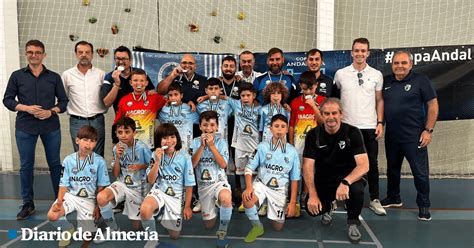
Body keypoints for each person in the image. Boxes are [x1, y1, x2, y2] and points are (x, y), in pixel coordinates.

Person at [3, 39, 68, 220]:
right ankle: (27, 204)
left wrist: (51, 111)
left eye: (37, 52)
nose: (34, 55)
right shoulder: (17, 76)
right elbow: (7, 100)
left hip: (50, 126)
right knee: (26, 166)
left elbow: (63, 102)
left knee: (55, 164)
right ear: (26, 54)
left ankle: (60, 200)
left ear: (44, 55)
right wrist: (26, 108)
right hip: (25, 126)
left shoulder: (54, 77)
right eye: (30, 52)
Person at [381, 51, 438, 221]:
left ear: (411, 64)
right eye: (396, 63)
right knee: (392, 169)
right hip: (392, 135)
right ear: (392, 64)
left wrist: (428, 130)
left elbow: (433, 105)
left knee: (420, 173)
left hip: (414, 137)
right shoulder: (386, 81)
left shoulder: (421, 80)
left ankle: (424, 205)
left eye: (403, 63)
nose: (400, 66)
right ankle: (394, 197)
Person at [303, 98, 369, 243]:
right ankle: (328, 207)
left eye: (334, 113)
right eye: (326, 114)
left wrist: (345, 182)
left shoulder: (352, 132)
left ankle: (352, 223)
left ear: (341, 114)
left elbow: (364, 165)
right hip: (324, 179)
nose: (331, 117)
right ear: (321, 114)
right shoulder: (313, 135)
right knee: (312, 209)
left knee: (357, 190)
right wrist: (312, 194)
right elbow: (307, 166)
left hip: (348, 179)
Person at [334, 38, 386, 216]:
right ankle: (345, 196)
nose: (359, 54)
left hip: (369, 126)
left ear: (368, 53)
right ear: (351, 52)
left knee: (371, 163)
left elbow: (379, 100)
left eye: (363, 51)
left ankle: (374, 199)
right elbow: (336, 101)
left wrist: (380, 122)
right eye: (356, 50)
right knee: (345, 163)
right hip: (347, 127)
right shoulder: (341, 74)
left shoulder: (376, 74)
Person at [47, 125, 110, 247]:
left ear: (96, 143)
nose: (88, 144)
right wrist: (59, 202)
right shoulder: (68, 160)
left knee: (87, 235)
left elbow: (102, 187)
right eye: (85, 140)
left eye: (92, 141)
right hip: (70, 195)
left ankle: (91, 226)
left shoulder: (100, 161)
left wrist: (98, 207)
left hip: (88, 199)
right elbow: (63, 184)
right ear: (77, 140)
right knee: (52, 215)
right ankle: (67, 228)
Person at [242, 114, 300, 243]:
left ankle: (270, 205)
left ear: (286, 129)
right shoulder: (262, 147)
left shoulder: (292, 152)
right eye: (276, 126)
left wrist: (292, 202)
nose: (279, 129)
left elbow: (295, 179)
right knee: (247, 199)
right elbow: (248, 169)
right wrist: (249, 187)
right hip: (261, 184)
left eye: (283, 126)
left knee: (278, 227)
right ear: (270, 128)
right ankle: (257, 227)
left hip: (279, 190)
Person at [140, 123, 196, 248]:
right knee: (144, 209)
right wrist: (157, 161)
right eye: (165, 138)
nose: (169, 141)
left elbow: (189, 185)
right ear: (159, 141)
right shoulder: (155, 154)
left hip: (175, 197)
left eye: (172, 137)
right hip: (159, 191)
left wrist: (187, 207)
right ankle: (152, 239)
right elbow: (150, 180)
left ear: (177, 138)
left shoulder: (185, 157)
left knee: (174, 235)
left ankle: (161, 213)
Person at [97, 117, 153, 234]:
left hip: (139, 187)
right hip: (122, 183)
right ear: (116, 134)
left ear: (134, 133)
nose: (123, 135)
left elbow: (152, 166)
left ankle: (151, 209)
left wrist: (140, 166)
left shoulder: (142, 147)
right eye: (120, 132)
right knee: (101, 197)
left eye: (127, 132)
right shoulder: (116, 148)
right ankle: (113, 228)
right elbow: (116, 174)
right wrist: (117, 157)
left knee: (136, 227)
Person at [190, 111, 233, 248]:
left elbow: (223, 165)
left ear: (217, 127)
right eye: (205, 125)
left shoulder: (221, 142)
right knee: (209, 225)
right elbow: (192, 165)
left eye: (212, 125)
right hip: (203, 187)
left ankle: (222, 232)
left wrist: (212, 146)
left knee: (226, 198)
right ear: (200, 127)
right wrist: (203, 146)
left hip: (219, 182)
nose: (208, 128)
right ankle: (215, 206)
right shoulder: (195, 142)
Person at [100, 45, 156, 144]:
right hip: (120, 125)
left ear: (130, 60)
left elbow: (152, 92)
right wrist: (116, 84)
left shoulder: (140, 74)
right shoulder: (109, 77)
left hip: (142, 124)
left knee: (143, 156)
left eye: (124, 59)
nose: (121, 62)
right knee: (119, 154)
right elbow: (107, 103)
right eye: (118, 58)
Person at [62, 41, 106, 156]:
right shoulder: (67, 75)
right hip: (77, 121)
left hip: (97, 120)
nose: (84, 55)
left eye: (87, 52)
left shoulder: (101, 74)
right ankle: (82, 175)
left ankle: (96, 174)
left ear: (92, 55)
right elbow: (64, 96)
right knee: (80, 155)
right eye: (80, 52)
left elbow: (106, 97)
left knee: (98, 154)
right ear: (76, 54)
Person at [289, 71, 326, 211]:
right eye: (305, 89)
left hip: (316, 144)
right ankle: (296, 195)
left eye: (311, 88)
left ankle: (308, 193)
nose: (308, 92)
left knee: (311, 170)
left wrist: (313, 106)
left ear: (316, 86)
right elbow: (292, 125)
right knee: (297, 170)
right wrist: (291, 144)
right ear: (300, 87)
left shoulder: (322, 101)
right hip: (298, 143)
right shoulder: (295, 102)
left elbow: (324, 123)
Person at [113, 69, 167, 149]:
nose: (139, 83)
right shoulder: (124, 100)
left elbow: (171, 101)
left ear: (146, 83)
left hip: (148, 146)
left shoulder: (154, 98)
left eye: (142, 81)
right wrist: (115, 142)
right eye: (135, 80)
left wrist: (190, 103)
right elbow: (116, 123)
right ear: (131, 83)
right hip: (129, 145)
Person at [159, 82, 199, 152]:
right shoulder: (165, 109)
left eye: (176, 94)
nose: (173, 98)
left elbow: (200, 122)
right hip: (170, 146)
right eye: (170, 95)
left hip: (186, 147)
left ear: (181, 95)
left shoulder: (189, 109)